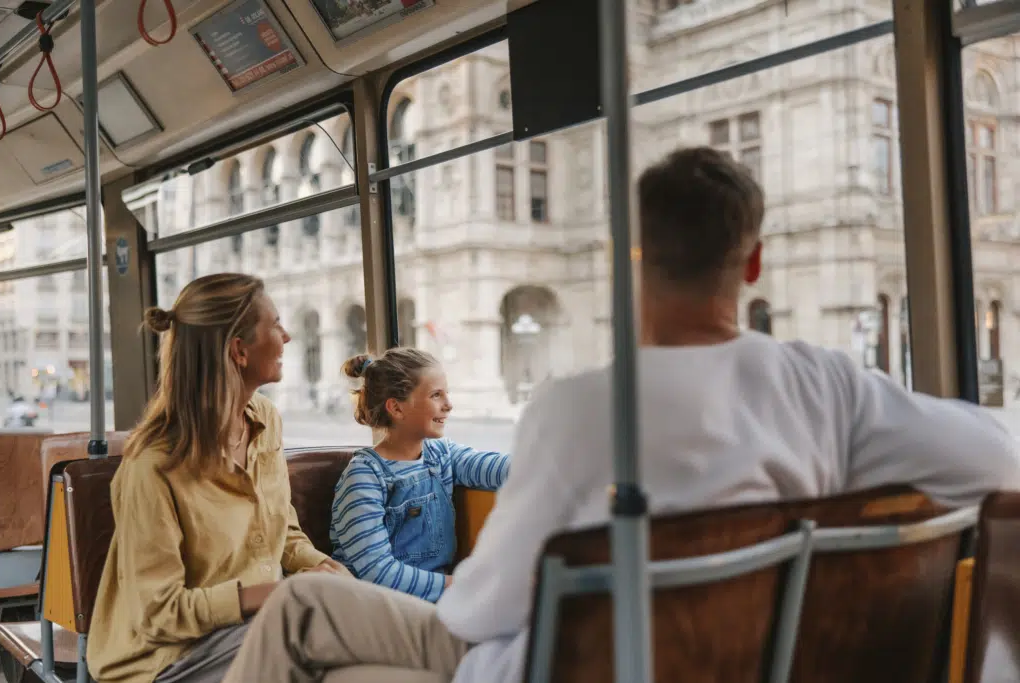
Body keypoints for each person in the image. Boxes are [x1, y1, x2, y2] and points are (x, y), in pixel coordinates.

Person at [221, 147, 1020, 683]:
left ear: (629, 257)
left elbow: (476, 612)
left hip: (557, 665)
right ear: (752, 261)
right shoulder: (828, 386)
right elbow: (998, 461)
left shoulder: (576, 410)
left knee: (303, 615)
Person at [87, 273, 346, 683]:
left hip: (250, 631)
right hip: (165, 660)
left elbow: (282, 530)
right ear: (239, 351)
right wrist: (275, 595)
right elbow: (159, 615)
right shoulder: (151, 468)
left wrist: (328, 569)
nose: (288, 335)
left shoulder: (265, 422)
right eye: (276, 324)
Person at [329, 348, 510, 602]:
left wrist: (545, 463)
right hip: (377, 605)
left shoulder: (441, 454)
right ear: (396, 408)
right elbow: (379, 574)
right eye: (436, 395)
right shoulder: (364, 477)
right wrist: (463, 586)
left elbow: (493, 468)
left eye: (447, 394)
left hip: (436, 598)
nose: (449, 405)